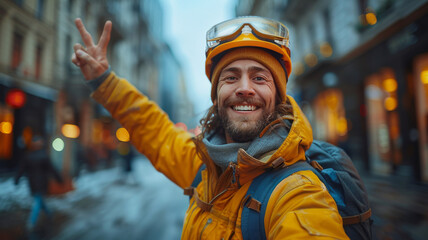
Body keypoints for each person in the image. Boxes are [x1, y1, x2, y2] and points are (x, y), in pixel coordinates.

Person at [71, 16, 349, 239]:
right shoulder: (204, 165)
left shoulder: (298, 194)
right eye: (230, 77)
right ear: (216, 97)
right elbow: (153, 128)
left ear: (278, 95)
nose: (244, 88)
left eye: (259, 77)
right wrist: (105, 82)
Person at [15, 135, 63, 230]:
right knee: (38, 201)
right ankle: (32, 222)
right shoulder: (43, 155)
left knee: (39, 200)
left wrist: (17, 179)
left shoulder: (29, 156)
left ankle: (48, 214)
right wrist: (59, 179)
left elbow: (21, 169)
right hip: (41, 182)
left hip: (33, 182)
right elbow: (52, 169)